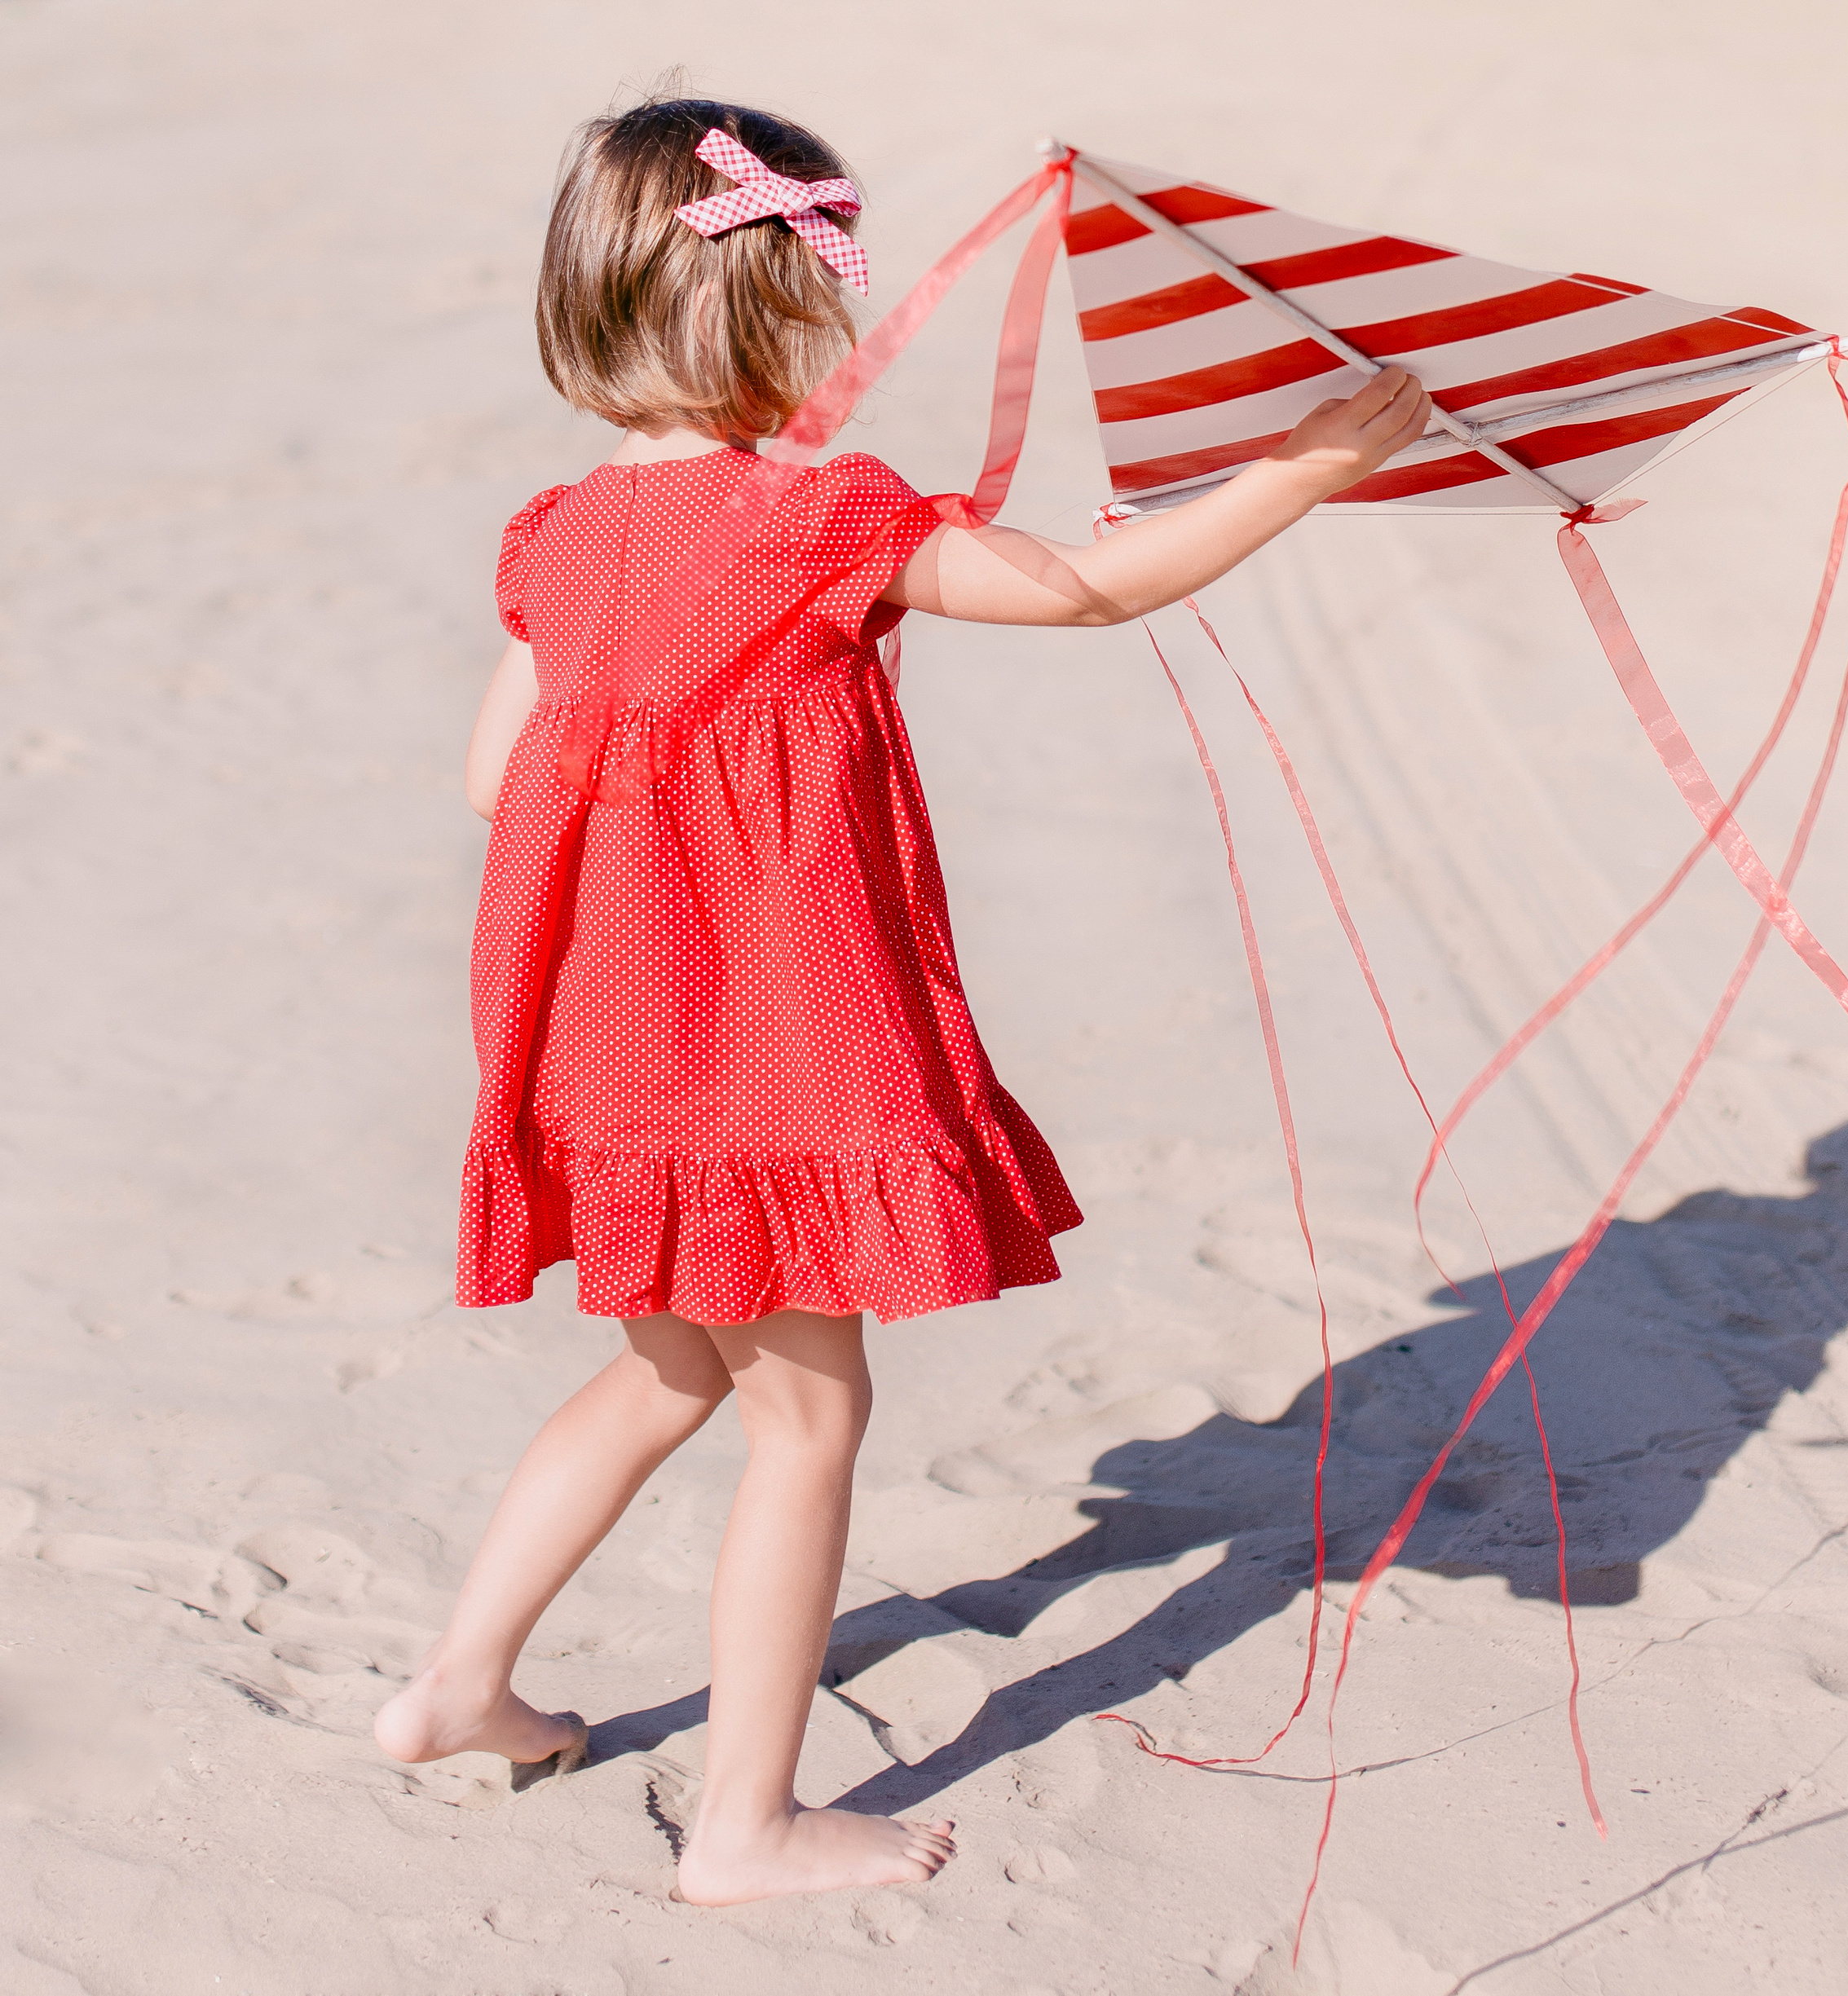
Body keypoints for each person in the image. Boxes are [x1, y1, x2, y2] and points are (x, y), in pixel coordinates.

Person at [373, 92, 1431, 1906]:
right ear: (782, 313)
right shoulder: (817, 520)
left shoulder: (553, 537)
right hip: (767, 1053)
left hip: (602, 1045)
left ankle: (459, 1686)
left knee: (664, 1370)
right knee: (805, 1418)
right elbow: (1084, 588)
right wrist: (1301, 468)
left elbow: (496, 779)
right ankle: (743, 1822)